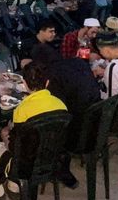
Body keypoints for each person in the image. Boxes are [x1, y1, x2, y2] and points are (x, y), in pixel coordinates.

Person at [0, 62, 68, 200]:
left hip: (26, 164)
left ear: (24, 83)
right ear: (47, 83)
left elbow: (15, 145)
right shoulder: (60, 104)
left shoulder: (22, 109)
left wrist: (4, 132)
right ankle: (13, 186)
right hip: (52, 157)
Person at [34, 45, 101, 188]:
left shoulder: (53, 74)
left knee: (43, 125)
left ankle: (58, 170)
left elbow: (56, 109)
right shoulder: (77, 62)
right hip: (97, 124)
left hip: (79, 135)